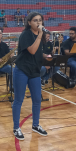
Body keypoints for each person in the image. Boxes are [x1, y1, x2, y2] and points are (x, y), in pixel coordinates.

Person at [12, 12, 48, 140]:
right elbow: (32, 50)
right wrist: (40, 35)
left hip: (34, 71)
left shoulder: (40, 36)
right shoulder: (25, 35)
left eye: (40, 20)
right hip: (22, 70)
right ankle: (16, 128)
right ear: (29, 23)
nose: (38, 22)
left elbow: (38, 51)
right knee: (19, 100)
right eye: (35, 20)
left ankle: (35, 125)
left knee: (37, 99)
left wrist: (46, 57)